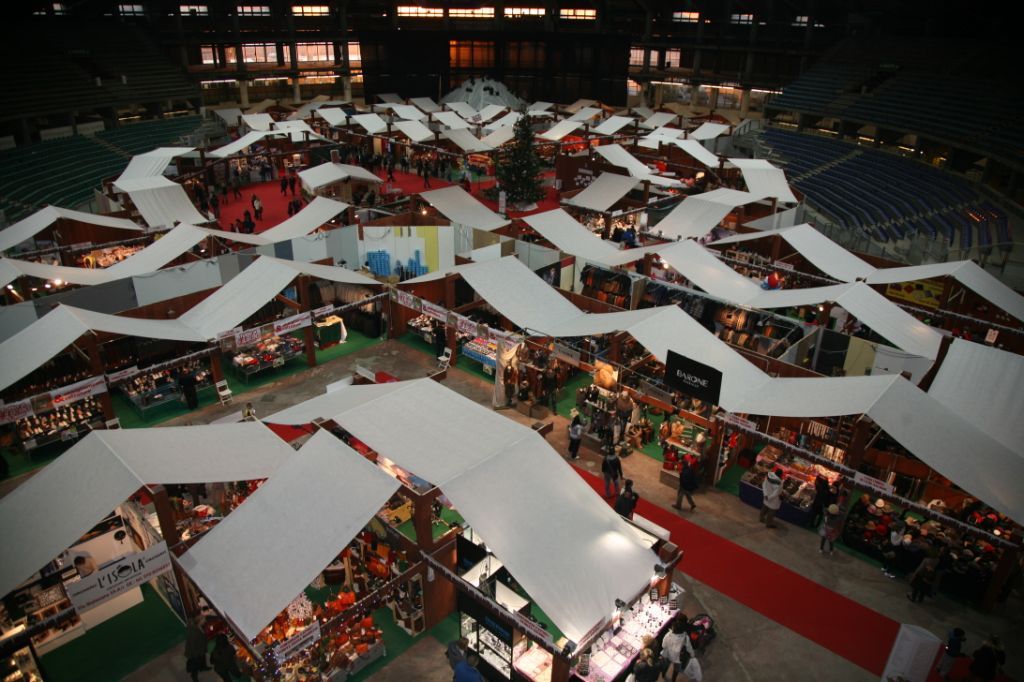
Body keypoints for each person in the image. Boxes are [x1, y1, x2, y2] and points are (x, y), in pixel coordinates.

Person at [661, 616, 695, 682]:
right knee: (676, 670)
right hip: (678, 658)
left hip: (668, 655)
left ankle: (663, 675)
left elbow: (663, 645)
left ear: (674, 629)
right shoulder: (685, 637)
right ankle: (673, 680)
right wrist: (692, 655)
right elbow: (689, 648)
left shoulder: (668, 635)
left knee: (666, 666)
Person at [184, 617, 210, 682]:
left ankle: (203, 667)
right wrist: (196, 655)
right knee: (195, 665)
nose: (205, 621)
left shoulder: (199, 627)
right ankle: (194, 677)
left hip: (201, 649)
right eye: (203, 620)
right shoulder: (193, 632)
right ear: (199, 621)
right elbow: (193, 645)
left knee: (203, 658)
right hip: (195, 653)